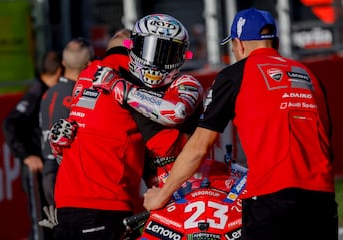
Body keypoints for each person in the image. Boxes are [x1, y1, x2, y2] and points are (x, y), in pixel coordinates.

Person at [143, 7, 338, 240]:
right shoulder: (308, 74)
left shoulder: (235, 74)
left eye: (233, 47)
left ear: (239, 44)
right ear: (274, 42)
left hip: (272, 200)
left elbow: (198, 148)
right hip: (322, 200)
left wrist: (162, 194)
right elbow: (326, 142)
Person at [49, 14, 204, 240]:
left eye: (166, 52)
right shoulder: (108, 78)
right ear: (135, 49)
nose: (156, 60)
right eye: (150, 49)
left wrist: (121, 87)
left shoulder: (185, 82)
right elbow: (92, 142)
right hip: (150, 196)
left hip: (188, 188)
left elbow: (177, 112)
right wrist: (59, 145)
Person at [2, 50, 63, 240]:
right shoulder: (37, 93)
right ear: (60, 71)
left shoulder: (47, 91)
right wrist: (26, 155)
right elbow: (10, 123)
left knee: (55, 221)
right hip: (36, 170)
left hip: (49, 167)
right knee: (41, 224)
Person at [39, 37, 94, 207]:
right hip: (69, 178)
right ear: (90, 63)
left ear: (63, 62)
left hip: (48, 175)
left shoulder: (49, 92)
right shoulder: (84, 95)